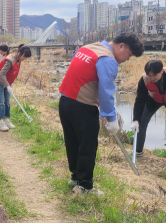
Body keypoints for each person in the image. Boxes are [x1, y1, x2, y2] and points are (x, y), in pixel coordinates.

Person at [58, 33, 144, 195]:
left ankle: (76, 177)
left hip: (65, 101)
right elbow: (106, 91)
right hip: (82, 106)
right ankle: (84, 186)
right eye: (129, 55)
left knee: (73, 142)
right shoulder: (108, 60)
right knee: (88, 146)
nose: (127, 59)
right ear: (121, 46)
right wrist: (111, 118)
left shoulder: (88, 47)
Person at [0, 44, 32, 131]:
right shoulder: (10, 60)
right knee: (1, 102)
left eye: (26, 58)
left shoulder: (18, 59)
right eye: (24, 57)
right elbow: (2, 74)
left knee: (7, 102)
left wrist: (10, 85)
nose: (24, 59)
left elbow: (12, 73)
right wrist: (7, 86)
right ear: (19, 53)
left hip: (7, 83)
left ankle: (7, 119)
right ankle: (1, 122)